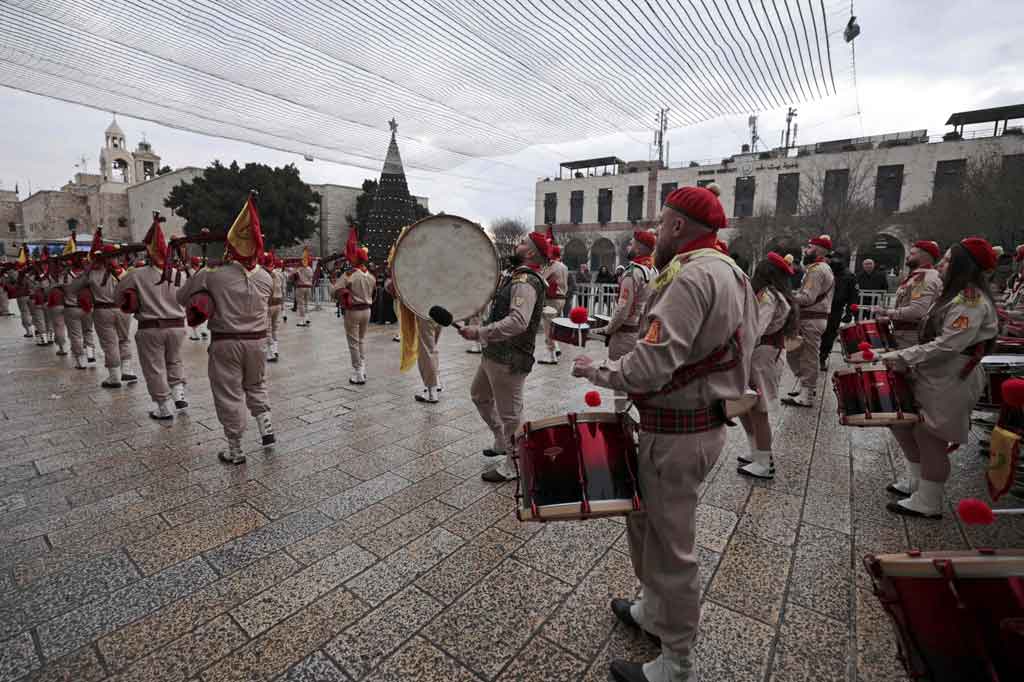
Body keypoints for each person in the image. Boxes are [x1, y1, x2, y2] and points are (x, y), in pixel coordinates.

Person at [572, 185, 757, 682]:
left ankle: (677, 662)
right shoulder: (733, 272)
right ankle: (653, 613)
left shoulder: (692, 277)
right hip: (689, 426)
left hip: (679, 434)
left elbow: (650, 367)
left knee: (671, 547)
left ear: (677, 226)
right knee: (647, 527)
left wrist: (598, 371)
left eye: (661, 222)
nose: (656, 232)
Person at [879, 238, 999, 518]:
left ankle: (928, 501)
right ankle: (916, 483)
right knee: (911, 427)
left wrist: (904, 356)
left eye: (947, 260)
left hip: (952, 375)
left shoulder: (970, 299)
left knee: (931, 436)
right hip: (936, 372)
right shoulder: (955, 295)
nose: (941, 265)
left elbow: (948, 345)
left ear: (962, 265)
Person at [177, 195, 275, 464]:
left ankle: (235, 449)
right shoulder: (267, 277)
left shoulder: (213, 274)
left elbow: (181, 298)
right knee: (256, 384)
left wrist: (200, 278)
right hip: (257, 342)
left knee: (229, 392)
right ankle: (266, 428)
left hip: (226, 343)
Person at [459, 232, 549, 483]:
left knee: (511, 415)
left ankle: (515, 466)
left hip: (510, 358)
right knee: (479, 395)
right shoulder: (516, 276)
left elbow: (519, 321)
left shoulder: (526, 281)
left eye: (522, 243)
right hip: (494, 354)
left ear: (530, 252)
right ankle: (501, 441)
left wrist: (480, 332)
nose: (516, 245)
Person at [115, 216, 188, 420]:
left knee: (154, 368)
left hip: (151, 328)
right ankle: (179, 395)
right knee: (174, 361)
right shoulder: (179, 275)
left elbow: (118, 296)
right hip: (177, 326)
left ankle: (164, 407)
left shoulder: (135, 275)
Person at [737, 253, 798, 479]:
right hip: (760, 355)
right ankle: (756, 451)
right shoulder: (774, 294)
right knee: (745, 405)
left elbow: (755, 329)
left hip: (761, 356)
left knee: (758, 409)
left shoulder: (768, 296)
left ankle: (764, 462)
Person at [66, 244, 136, 388]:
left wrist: (88, 270)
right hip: (122, 310)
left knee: (109, 343)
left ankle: (114, 376)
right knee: (124, 339)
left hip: (102, 311)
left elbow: (72, 288)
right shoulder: (125, 272)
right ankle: (127, 370)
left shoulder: (92, 273)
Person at [782, 235, 835, 408]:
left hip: (812, 319)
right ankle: (805, 386)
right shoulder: (818, 268)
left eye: (810, 247)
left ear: (820, 249)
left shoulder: (817, 270)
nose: (806, 250)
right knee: (795, 353)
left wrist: (787, 295)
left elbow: (807, 297)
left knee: (808, 356)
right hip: (811, 318)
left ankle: (807, 394)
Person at [872, 240, 944, 348]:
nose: (907, 257)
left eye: (912, 254)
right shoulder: (918, 276)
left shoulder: (923, 278)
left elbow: (917, 311)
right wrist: (889, 318)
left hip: (910, 337)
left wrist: (886, 312)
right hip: (906, 334)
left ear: (924, 256)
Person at [333, 246, 375, 385]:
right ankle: (362, 368)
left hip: (353, 311)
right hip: (367, 311)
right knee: (361, 340)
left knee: (353, 343)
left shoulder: (349, 274)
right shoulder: (371, 276)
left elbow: (335, 291)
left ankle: (358, 373)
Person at [818, 252, 858, 371]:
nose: (834, 261)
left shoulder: (849, 275)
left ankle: (823, 357)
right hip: (820, 307)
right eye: (831, 258)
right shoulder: (824, 271)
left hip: (836, 308)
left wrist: (850, 312)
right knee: (816, 333)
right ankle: (814, 356)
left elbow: (853, 296)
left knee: (829, 334)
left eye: (836, 259)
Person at [61, 254, 97, 370]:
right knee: (88, 331)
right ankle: (91, 354)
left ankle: (80, 361)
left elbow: (61, 288)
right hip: (87, 307)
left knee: (75, 335)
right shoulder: (88, 275)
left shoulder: (65, 275)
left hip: (72, 307)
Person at [538, 244, 569, 365]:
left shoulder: (552, 266)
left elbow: (541, 279)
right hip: (561, 298)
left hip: (552, 299)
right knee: (554, 326)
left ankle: (550, 355)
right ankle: (556, 347)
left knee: (548, 327)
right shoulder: (564, 266)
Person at [264, 255, 287, 362]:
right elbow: (283, 288)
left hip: (268, 304)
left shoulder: (263, 274)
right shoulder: (279, 274)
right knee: (274, 329)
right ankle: (275, 349)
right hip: (277, 303)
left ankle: (270, 353)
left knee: (267, 329)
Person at [291, 249, 314, 327]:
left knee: (301, 304)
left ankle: (302, 320)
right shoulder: (310, 269)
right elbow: (311, 277)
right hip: (308, 287)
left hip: (300, 287)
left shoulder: (298, 269)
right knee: (307, 303)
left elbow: (291, 276)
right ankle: (307, 318)